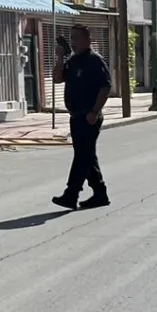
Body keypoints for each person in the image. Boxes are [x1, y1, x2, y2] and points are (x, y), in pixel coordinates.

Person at [52, 25, 112, 210]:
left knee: (81, 156)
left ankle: (71, 194)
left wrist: (94, 111)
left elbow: (105, 87)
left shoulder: (95, 61)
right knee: (87, 156)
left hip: (89, 115)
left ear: (88, 40)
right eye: (71, 38)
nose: (73, 42)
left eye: (77, 38)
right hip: (76, 116)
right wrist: (60, 58)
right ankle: (100, 193)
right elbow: (57, 78)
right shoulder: (73, 60)